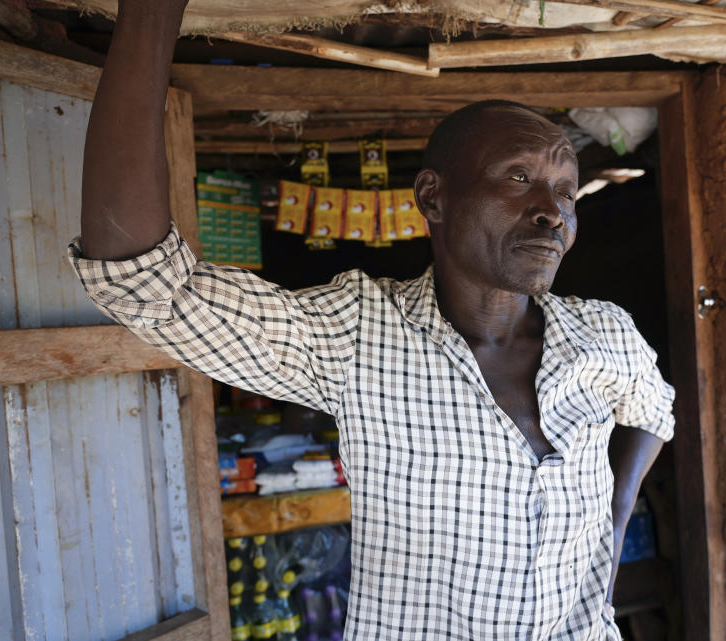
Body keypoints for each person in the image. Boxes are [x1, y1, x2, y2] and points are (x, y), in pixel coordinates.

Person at [69, 2, 675, 639]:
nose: (553, 210)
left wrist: (615, 511)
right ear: (432, 198)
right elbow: (142, 282)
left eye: (566, 189)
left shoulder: (604, 334)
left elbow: (657, 411)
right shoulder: (357, 335)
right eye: (519, 176)